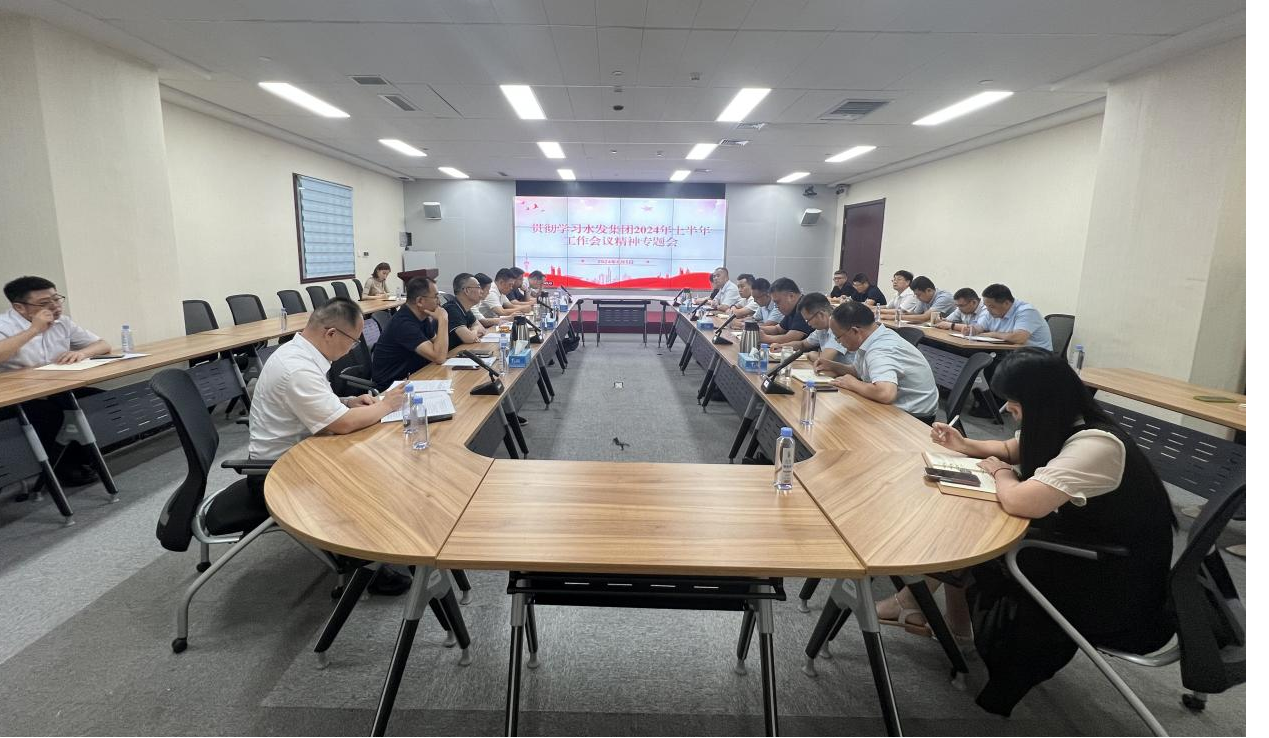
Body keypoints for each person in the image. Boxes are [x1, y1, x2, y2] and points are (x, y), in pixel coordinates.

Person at [882, 349, 1175, 717]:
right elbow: (1011, 448)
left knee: (974, 535)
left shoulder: (1096, 445)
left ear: (1040, 400)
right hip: (1087, 550)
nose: (1007, 409)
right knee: (971, 524)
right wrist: (965, 445)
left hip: (1114, 587)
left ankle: (927, 614)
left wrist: (1001, 473)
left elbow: (1023, 501)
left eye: (1014, 401)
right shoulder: (1065, 421)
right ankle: (932, 616)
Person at [248, 297, 410, 594]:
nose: (352, 349)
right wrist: (387, 405)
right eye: (353, 341)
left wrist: (347, 401)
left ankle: (381, 544)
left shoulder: (302, 353)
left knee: (373, 456)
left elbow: (320, 405)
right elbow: (343, 424)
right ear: (331, 333)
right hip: (278, 472)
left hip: (304, 452)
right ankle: (363, 565)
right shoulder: (296, 368)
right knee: (368, 472)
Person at [1, 276, 114, 485]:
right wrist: (34, 330)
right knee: (51, 415)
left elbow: (103, 345)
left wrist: (82, 353)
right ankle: (63, 468)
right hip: (19, 396)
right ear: (19, 307)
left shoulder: (63, 322)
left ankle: (90, 456)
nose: (55, 306)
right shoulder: (4, 325)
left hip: (57, 386)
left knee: (100, 400)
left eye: (56, 299)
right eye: (44, 303)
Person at [815, 301, 938, 418]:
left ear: (855, 331)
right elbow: (858, 371)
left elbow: (885, 393)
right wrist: (832, 365)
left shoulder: (881, 348)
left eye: (838, 337)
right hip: (898, 406)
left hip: (914, 416)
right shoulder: (872, 337)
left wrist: (853, 383)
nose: (838, 342)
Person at [371, 277, 448, 391]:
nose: (439, 301)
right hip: (392, 387)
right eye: (436, 297)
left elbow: (439, 347)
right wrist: (443, 320)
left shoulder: (422, 317)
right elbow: (439, 357)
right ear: (420, 301)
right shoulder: (403, 324)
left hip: (414, 376)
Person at [770, 292, 853, 365]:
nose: (808, 324)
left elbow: (823, 360)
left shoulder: (838, 326)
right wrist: (782, 347)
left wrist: (811, 354)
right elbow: (803, 344)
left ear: (821, 315)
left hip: (848, 374)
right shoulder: (821, 329)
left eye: (808, 320)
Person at [975, 283, 1053, 349]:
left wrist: (992, 334)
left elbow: (1019, 338)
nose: (988, 310)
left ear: (1006, 303)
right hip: (1009, 352)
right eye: (986, 306)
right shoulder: (992, 312)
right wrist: (972, 329)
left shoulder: (1026, 311)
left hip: (1036, 356)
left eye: (991, 306)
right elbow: (979, 328)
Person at [443, 273, 490, 350]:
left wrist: (472, 331)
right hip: (449, 355)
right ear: (467, 290)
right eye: (478, 287)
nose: (481, 291)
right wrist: (474, 330)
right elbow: (469, 338)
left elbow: (482, 329)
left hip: (461, 350)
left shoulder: (465, 308)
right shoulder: (451, 309)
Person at [758, 278, 812, 342]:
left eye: (777, 302)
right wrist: (755, 328)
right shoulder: (792, 309)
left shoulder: (805, 307)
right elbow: (777, 329)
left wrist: (766, 338)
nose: (776, 306)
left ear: (791, 296)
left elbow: (792, 337)